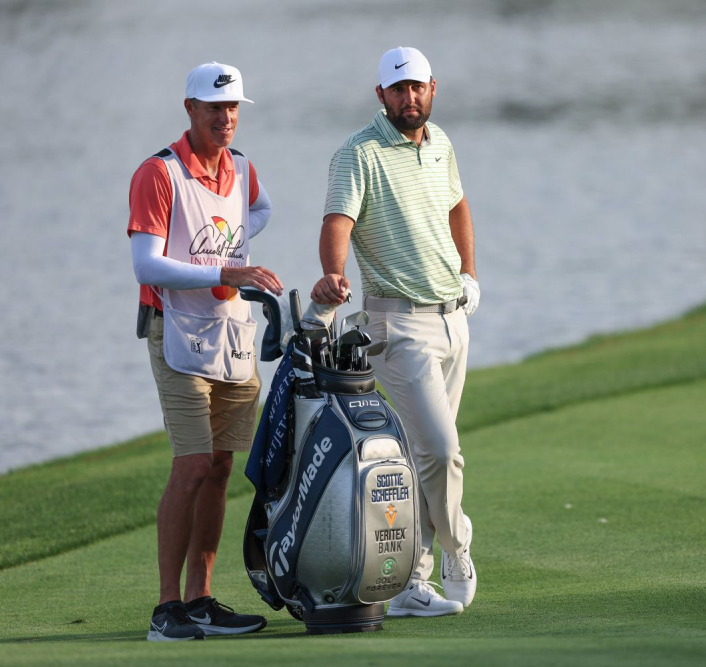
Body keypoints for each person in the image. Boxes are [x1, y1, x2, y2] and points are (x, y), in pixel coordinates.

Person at [312, 46, 481, 618]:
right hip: (396, 324)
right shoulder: (358, 154)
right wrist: (334, 278)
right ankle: (459, 549)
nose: (409, 98)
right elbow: (338, 222)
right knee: (440, 449)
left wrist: (469, 274)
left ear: (433, 87)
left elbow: (459, 207)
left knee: (425, 455)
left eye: (417, 88)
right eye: (398, 90)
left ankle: (412, 581)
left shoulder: (442, 145)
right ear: (380, 95)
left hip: (453, 318)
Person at [128, 61, 284, 641]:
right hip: (172, 330)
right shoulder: (159, 173)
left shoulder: (242, 168)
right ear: (190, 109)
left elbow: (260, 211)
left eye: (234, 108)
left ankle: (202, 599)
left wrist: (234, 243)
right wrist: (227, 264)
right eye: (215, 108)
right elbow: (145, 264)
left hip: (229, 330)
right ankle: (166, 610)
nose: (226, 118)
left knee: (221, 466)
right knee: (192, 464)